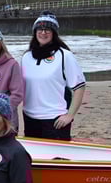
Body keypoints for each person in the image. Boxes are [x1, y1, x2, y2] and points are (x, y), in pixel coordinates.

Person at [20, 13, 86, 141]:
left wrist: (69, 115)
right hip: (29, 117)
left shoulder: (64, 56)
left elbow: (79, 87)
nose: (43, 33)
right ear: (35, 32)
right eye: (40, 29)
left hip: (55, 119)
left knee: (57, 159)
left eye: (47, 30)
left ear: (54, 33)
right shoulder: (26, 57)